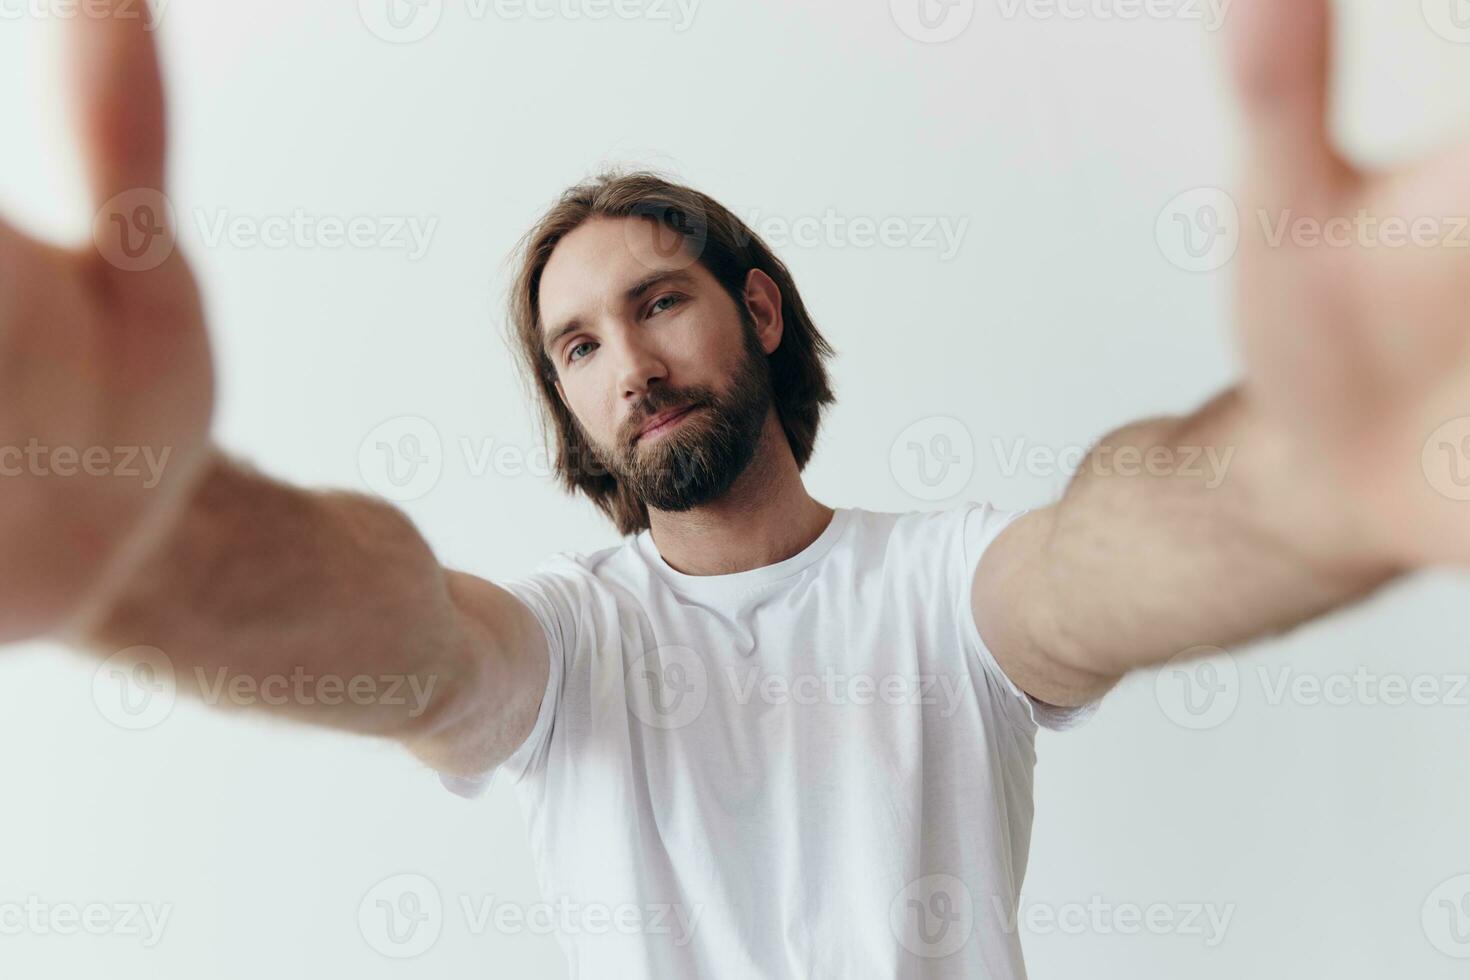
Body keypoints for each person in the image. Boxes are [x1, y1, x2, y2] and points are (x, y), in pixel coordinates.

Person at [4, 0, 1467, 976]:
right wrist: (153, 545)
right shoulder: (564, 649)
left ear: (758, 311)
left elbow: (1098, 561)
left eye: (658, 302)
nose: (627, 362)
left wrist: (1302, 484)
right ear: (568, 404)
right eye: (576, 345)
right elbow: (405, 639)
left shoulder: (944, 593)